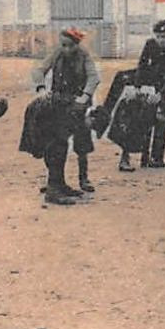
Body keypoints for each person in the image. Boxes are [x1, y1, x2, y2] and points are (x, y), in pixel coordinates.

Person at [21, 27, 100, 204]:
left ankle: (66, 182)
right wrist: (41, 88)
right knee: (56, 142)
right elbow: (39, 70)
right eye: (63, 45)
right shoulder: (57, 53)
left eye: (70, 45)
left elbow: (93, 78)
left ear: (76, 44)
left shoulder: (84, 55)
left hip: (77, 103)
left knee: (77, 141)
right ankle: (54, 187)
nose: (66, 49)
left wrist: (85, 97)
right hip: (57, 104)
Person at [131, 20, 165, 169]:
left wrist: (162, 95)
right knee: (146, 120)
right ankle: (144, 156)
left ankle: (157, 158)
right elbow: (141, 65)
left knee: (161, 121)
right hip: (150, 87)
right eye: (158, 36)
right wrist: (138, 86)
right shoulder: (150, 45)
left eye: (164, 36)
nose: (161, 40)